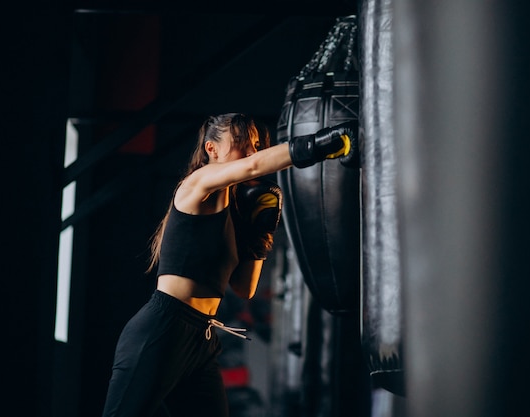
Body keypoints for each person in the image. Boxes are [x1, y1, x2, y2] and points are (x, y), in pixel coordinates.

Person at [101, 113, 356, 417]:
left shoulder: (232, 212)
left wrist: (260, 235)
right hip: (164, 328)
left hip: (202, 338)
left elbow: (244, 288)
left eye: (257, 145)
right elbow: (253, 166)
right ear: (212, 149)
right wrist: (321, 145)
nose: (252, 151)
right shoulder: (197, 185)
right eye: (243, 143)